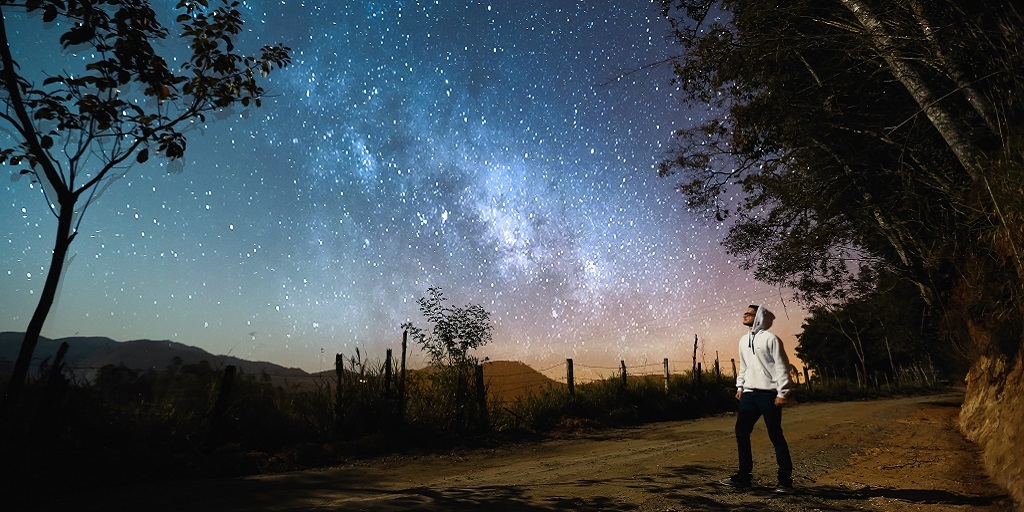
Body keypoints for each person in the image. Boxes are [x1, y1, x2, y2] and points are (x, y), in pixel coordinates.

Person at [723, 304, 794, 494]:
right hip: (749, 394)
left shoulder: (771, 339)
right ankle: (744, 477)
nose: (744, 315)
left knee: (775, 435)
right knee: (741, 433)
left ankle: (785, 482)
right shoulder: (743, 340)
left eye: (749, 314)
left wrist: (782, 392)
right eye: (744, 313)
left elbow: (781, 365)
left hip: (769, 394)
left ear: (759, 316)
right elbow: (744, 366)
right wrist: (740, 386)